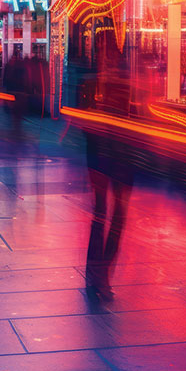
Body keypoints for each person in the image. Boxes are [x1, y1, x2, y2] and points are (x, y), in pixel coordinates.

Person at [82, 31, 134, 302]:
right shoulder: (91, 83)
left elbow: (136, 116)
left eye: (107, 50)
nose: (104, 56)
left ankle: (102, 274)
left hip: (122, 155)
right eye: (101, 50)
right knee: (100, 214)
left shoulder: (124, 82)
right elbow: (82, 119)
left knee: (118, 217)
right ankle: (97, 275)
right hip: (100, 156)